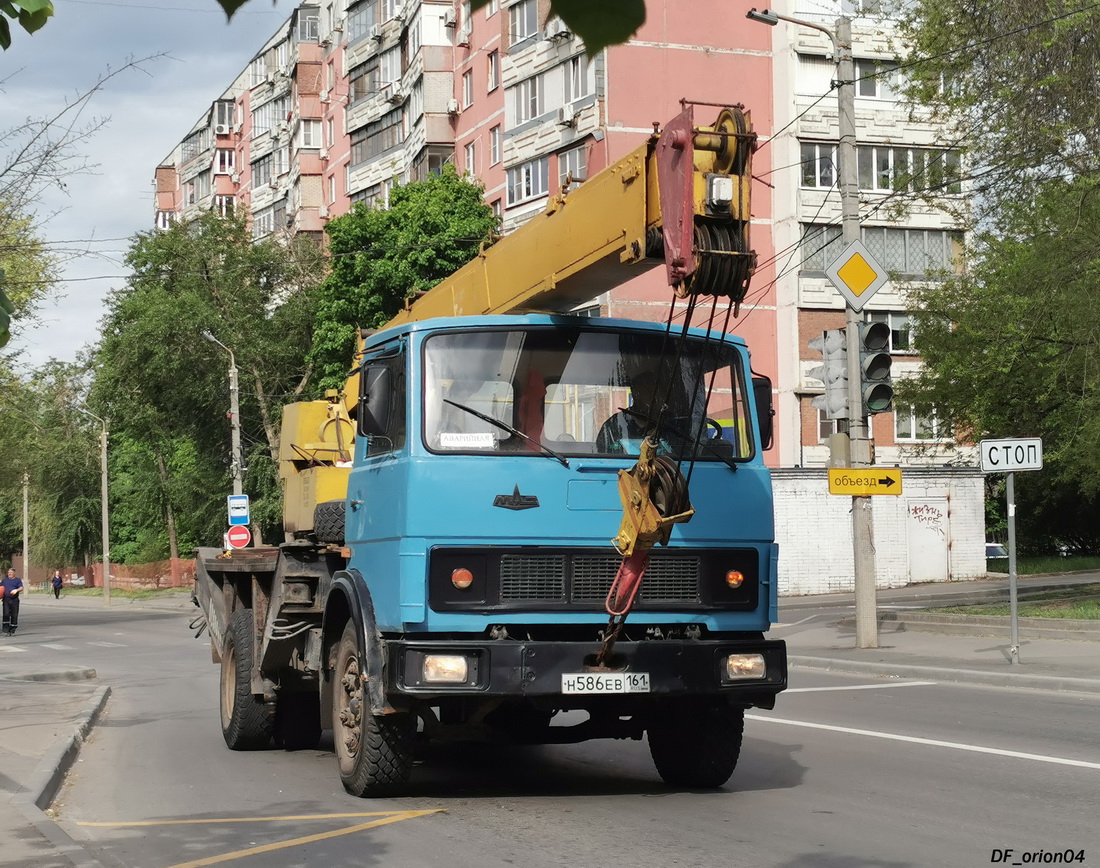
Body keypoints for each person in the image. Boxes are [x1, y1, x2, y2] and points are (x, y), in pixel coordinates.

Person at [596, 371, 662, 454]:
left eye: (655, 391)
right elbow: (602, 457)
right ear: (635, 393)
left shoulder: (673, 425)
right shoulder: (613, 427)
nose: (653, 396)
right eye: (646, 390)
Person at [2, 567, 24, 636]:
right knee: (6, 614)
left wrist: (16, 590)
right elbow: (1, 588)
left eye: (11, 573)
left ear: (14, 573)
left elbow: (21, 587)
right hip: (6, 600)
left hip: (14, 600)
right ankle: (6, 628)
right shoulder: (4, 580)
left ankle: (12, 629)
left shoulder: (17, 580)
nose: (9, 574)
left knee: (14, 615)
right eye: (8, 573)